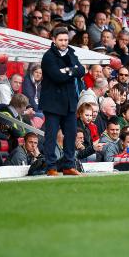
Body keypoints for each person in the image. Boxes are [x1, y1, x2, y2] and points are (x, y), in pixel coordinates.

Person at [39, 26, 85, 176]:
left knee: (71, 135)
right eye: (61, 40)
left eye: (66, 40)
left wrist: (68, 71)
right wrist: (72, 71)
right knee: (51, 137)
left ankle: (68, 165)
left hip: (70, 102)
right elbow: (56, 77)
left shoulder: (71, 52)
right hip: (53, 103)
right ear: (54, 40)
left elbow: (82, 70)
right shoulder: (48, 56)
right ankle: (51, 167)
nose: (64, 43)